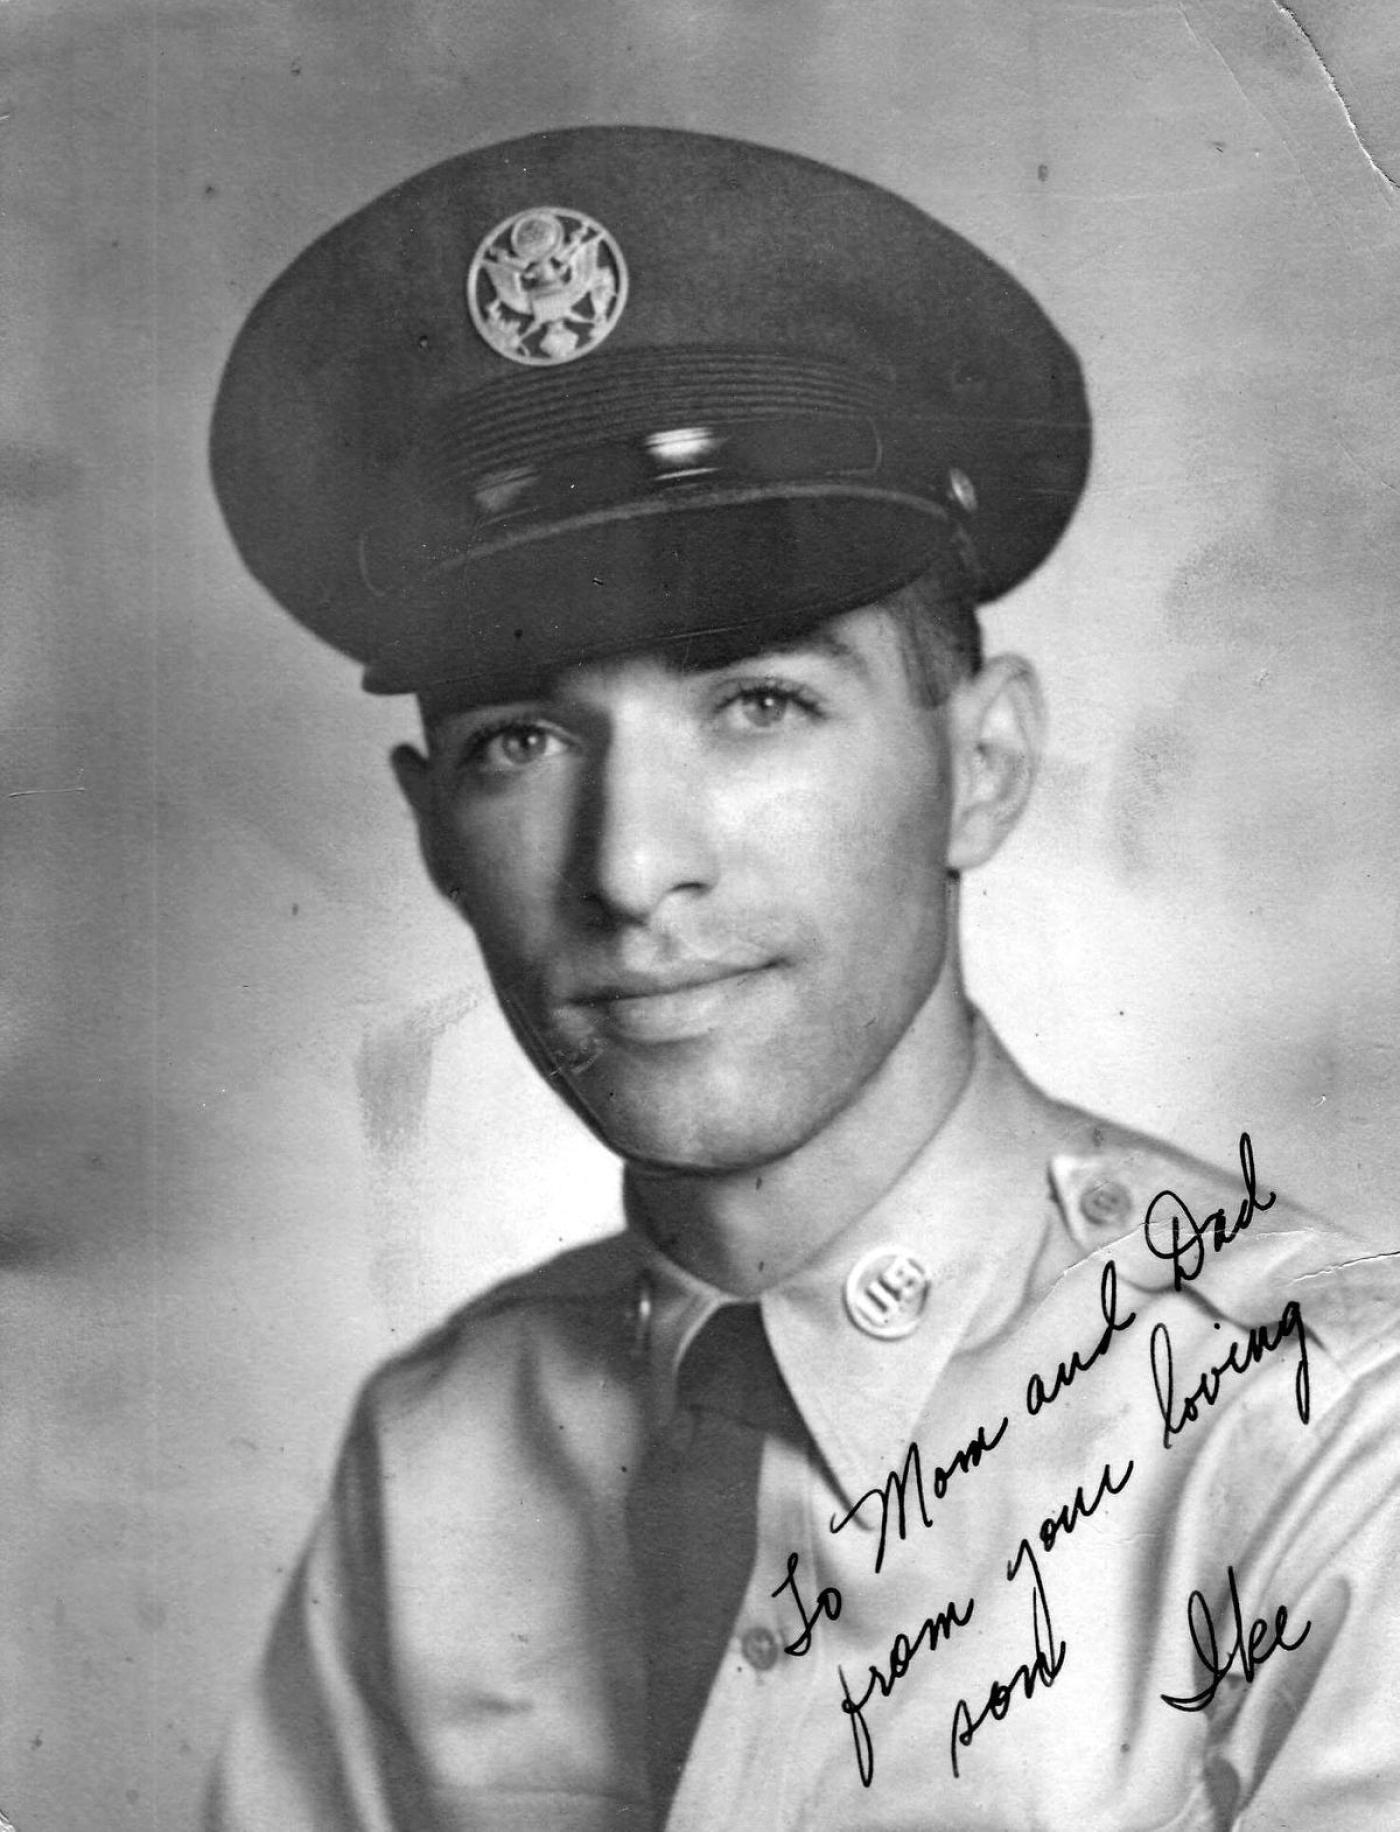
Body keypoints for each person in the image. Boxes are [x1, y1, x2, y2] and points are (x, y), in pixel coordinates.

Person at [204, 126, 1400, 1831]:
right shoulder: (438, 1449)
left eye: (756, 704)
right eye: (522, 738)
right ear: (431, 837)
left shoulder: (1331, 1439)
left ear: (982, 767)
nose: (628, 869)